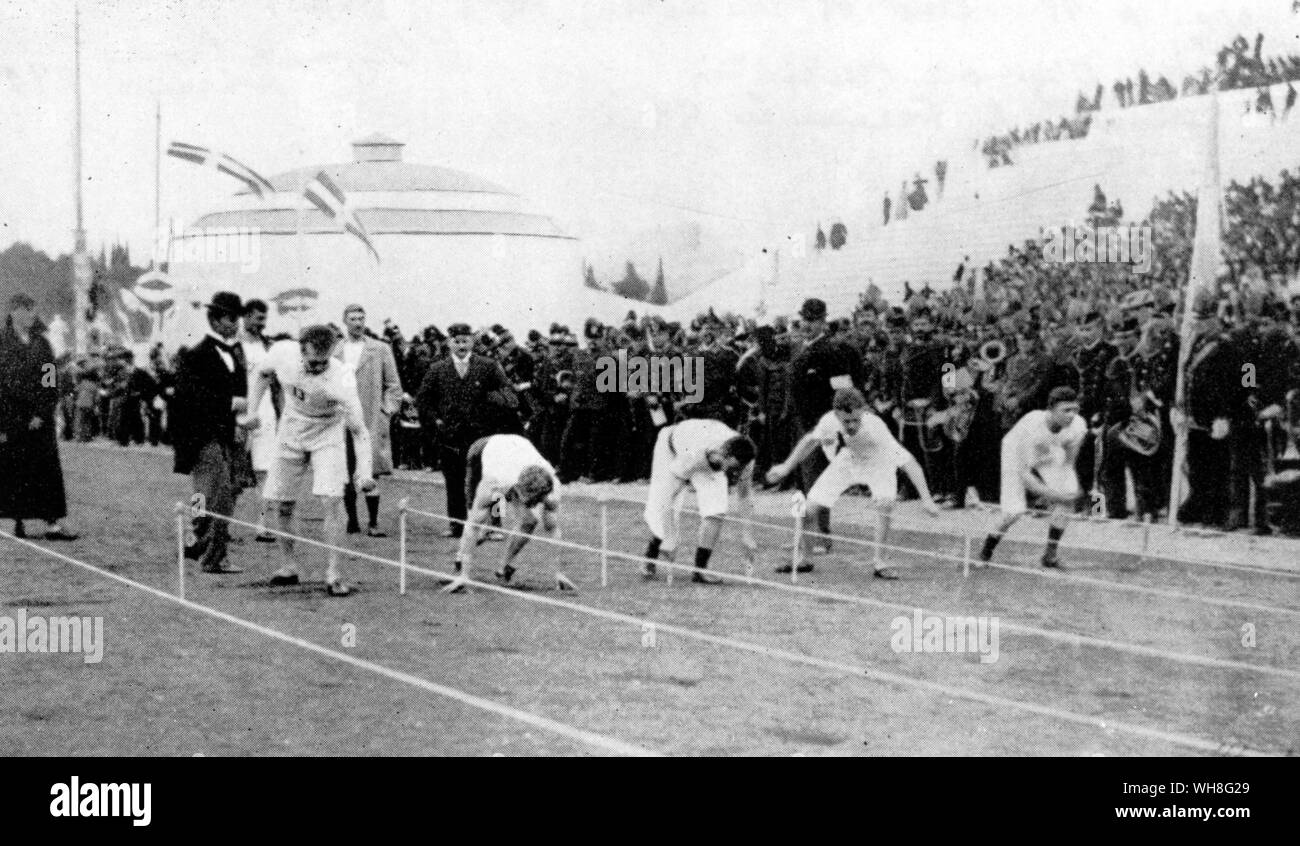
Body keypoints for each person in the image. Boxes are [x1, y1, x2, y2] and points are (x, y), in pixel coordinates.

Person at [241, 324, 374, 596]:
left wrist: (364, 472)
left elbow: (360, 431)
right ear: (301, 350)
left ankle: (334, 572)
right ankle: (288, 565)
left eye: (324, 362)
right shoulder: (282, 353)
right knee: (282, 501)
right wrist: (252, 411)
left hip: (328, 431)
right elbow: (262, 374)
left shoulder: (342, 378)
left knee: (332, 500)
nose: (318, 368)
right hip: (292, 427)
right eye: (313, 362)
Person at [766, 388, 939, 579]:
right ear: (836, 414)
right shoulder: (829, 420)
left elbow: (910, 463)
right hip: (849, 459)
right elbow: (810, 441)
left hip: (879, 463)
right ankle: (805, 559)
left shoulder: (875, 427)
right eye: (846, 421)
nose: (851, 425)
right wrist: (786, 467)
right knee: (807, 510)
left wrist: (926, 499)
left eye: (856, 420)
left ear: (863, 411)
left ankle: (880, 562)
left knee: (885, 505)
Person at [170, 291, 247, 574]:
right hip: (200, 434)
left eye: (237, 319)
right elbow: (190, 396)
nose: (235, 324)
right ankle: (213, 554)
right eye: (230, 318)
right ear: (214, 321)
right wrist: (229, 403)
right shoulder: (196, 355)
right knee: (217, 493)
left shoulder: (235, 353)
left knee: (207, 492)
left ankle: (196, 537)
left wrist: (238, 422)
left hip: (226, 433)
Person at [415, 322, 516, 538]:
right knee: (454, 480)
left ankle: (496, 525)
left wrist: (493, 403)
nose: (461, 345)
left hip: (483, 435)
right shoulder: (437, 369)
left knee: (493, 480)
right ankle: (457, 524)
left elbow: (507, 393)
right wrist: (436, 421)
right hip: (451, 436)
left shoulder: (488, 366)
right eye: (457, 341)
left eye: (465, 341)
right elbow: (423, 400)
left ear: (472, 341)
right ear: (449, 343)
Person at [640, 418, 758, 584]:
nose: (734, 474)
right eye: (732, 469)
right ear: (722, 454)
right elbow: (668, 497)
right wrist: (670, 536)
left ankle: (699, 571)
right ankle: (650, 556)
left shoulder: (745, 459)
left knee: (716, 510)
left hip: (709, 454)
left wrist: (748, 535)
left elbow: (744, 495)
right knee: (660, 503)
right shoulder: (695, 454)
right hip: (671, 448)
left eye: (737, 469)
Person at [980, 387, 1086, 569]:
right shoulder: (1031, 426)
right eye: (1066, 410)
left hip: (1049, 449)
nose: (1071, 415)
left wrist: (1066, 490)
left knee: (1068, 496)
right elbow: (1026, 476)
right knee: (1014, 511)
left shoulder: (1078, 425)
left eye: (1074, 409)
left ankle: (1050, 556)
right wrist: (1054, 495)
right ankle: (985, 552)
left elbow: (1069, 460)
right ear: (1050, 409)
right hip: (1015, 451)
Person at [0, 293, 78, 540]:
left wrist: (42, 413)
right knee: (14, 470)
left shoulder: (42, 344)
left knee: (46, 471)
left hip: (40, 420)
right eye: (28, 310)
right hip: (11, 418)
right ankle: (17, 521)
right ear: (14, 311)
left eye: (33, 310)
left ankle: (52, 523)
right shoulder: (2, 342)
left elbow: (50, 381)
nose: (32, 315)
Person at [449, 433, 562, 587]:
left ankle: (503, 568)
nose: (535, 504)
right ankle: (460, 559)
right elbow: (473, 525)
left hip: (515, 454)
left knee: (529, 521)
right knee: (477, 519)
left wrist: (557, 573)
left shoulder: (552, 487)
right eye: (531, 500)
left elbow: (552, 527)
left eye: (538, 500)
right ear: (519, 489)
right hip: (482, 450)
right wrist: (465, 576)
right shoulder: (495, 480)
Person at [337, 305, 403, 537]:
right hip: (342, 418)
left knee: (370, 469)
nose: (358, 323)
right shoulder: (336, 350)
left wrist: (387, 411)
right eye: (353, 319)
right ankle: (352, 520)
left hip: (370, 418)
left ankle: (373, 522)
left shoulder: (379, 349)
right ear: (345, 321)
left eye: (361, 318)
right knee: (345, 469)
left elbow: (393, 385)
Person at [237, 299, 278, 541]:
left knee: (265, 471)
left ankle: (262, 525)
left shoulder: (269, 346)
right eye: (257, 318)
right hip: (238, 412)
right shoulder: (233, 345)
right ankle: (209, 524)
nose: (261, 323)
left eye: (264, 319)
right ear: (245, 317)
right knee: (226, 472)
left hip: (265, 413)